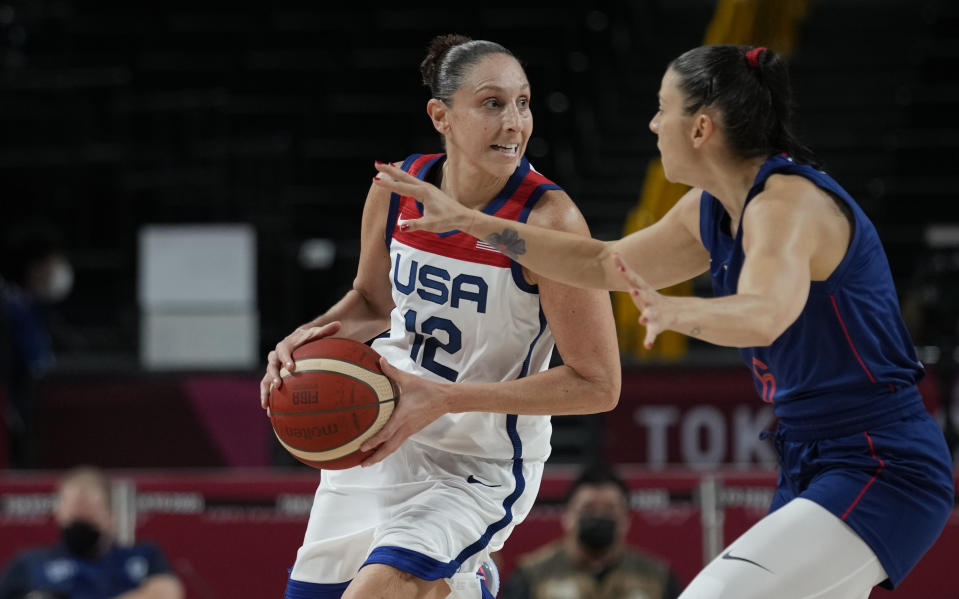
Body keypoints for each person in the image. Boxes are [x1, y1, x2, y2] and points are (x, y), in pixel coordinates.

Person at [373, 44, 955, 598]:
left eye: (663, 109)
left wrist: (677, 310)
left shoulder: (784, 205)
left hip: (881, 462)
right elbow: (601, 261)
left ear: (701, 128)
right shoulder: (711, 206)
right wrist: (473, 223)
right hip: (813, 457)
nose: (652, 125)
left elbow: (767, 315)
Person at [259, 34, 621, 599]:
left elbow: (598, 383)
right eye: (492, 103)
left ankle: (468, 578)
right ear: (441, 115)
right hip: (382, 434)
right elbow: (372, 303)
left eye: (523, 103)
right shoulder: (398, 189)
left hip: (478, 459)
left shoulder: (549, 220)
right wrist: (307, 340)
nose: (514, 123)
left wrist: (447, 399)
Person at [0, 466, 184, 599]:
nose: (81, 528)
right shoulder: (29, 563)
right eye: (75, 518)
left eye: (90, 518)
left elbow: (166, 593)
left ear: (110, 517)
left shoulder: (143, 556)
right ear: (59, 515)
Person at [501, 464, 680, 599]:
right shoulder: (531, 577)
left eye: (609, 509)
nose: (598, 515)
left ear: (626, 519)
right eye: (588, 508)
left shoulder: (657, 578)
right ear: (567, 516)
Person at [0, 225, 74, 468]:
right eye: (53, 263)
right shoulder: (15, 309)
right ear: (34, 268)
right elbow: (39, 365)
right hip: (18, 416)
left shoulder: (36, 307)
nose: (59, 270)